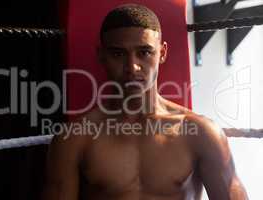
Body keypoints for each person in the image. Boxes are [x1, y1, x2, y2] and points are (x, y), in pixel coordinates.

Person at [42, 4, 248, 200]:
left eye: (144, 52)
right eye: (118, 53)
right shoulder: (75, 139)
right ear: (101, 56)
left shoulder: (201, 133)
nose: (132, 67)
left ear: (162, 53)